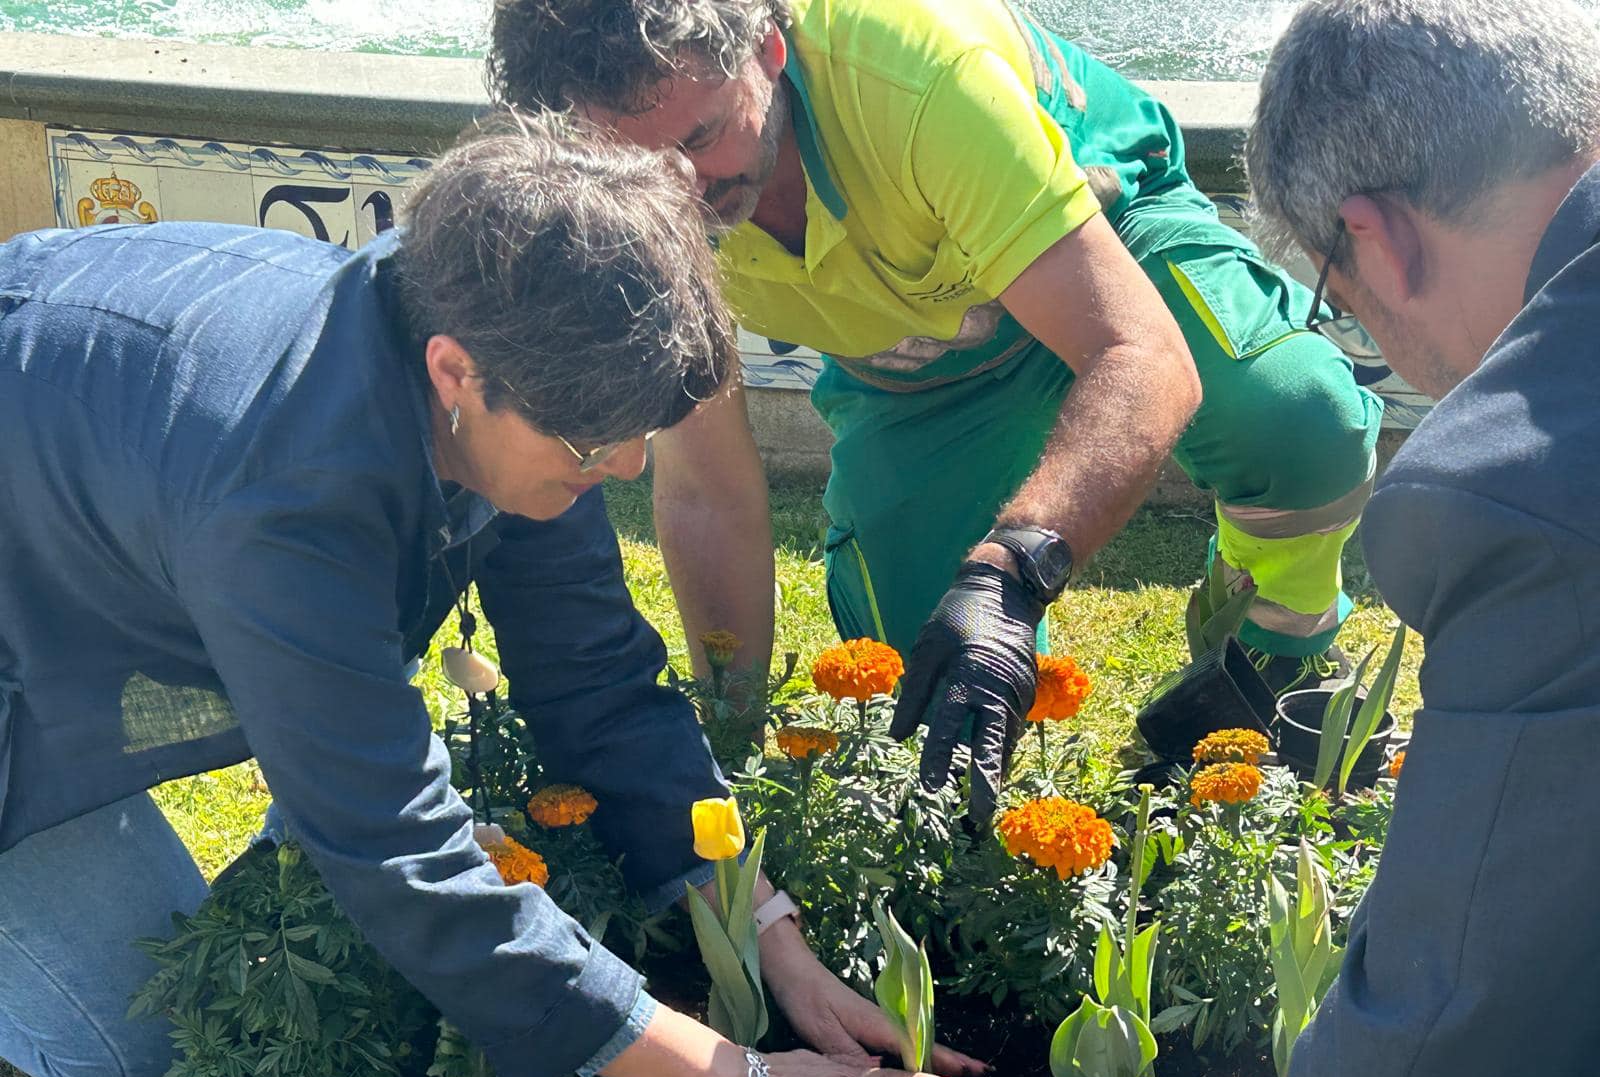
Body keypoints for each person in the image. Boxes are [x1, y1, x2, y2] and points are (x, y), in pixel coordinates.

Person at [0, 113, 980, 1077]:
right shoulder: (284, 500)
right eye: (597, 442)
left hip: (96, 489)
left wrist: (762, 929)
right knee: (136, 1034)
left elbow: (595, 679)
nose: (627, 468)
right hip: (46, 557)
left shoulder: (523, 348)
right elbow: (399, 849)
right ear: (455, 375)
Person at [487, 0, 1384, 816]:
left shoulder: (916, 72)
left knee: (1296, 416)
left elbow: (1139, 355)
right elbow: (706, 486)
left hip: (1110, 247)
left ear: (769, 42)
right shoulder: (613, 197)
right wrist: (731, 736)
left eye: (706, 134)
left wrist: (1009, 575)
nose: (678, 190)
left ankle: (1277, 656)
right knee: (920, 670)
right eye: (634, 163)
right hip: (922, 363)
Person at [1243, 0, 1600, 1077]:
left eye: (1337, 300)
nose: (1364, 327)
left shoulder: (1524, 485)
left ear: (1375, 236)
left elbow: (1447, 1014)